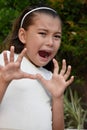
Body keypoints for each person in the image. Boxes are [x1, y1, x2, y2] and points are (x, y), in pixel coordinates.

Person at [0, 5, 74, 130]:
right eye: (42, 33)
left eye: (57, 36)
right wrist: (3, 81)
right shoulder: (5, 62)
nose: (50, 42)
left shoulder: (50, 78)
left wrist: (57, 98)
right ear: (23, 35)